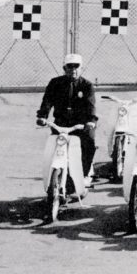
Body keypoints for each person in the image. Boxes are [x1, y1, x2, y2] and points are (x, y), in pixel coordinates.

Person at [36, 53, 97, 186]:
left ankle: (85, 174)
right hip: (61, 123)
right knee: (53, 147)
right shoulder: (55, 83)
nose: (73, 70)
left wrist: (91, 121)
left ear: (81, 68)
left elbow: (91, 105)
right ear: (64, 68)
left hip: (80, 124)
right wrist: (42, 116)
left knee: (89, 143)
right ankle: (53, 174)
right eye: (70, 66)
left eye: (76, 66)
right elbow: (47, 101)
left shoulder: (87, 85)